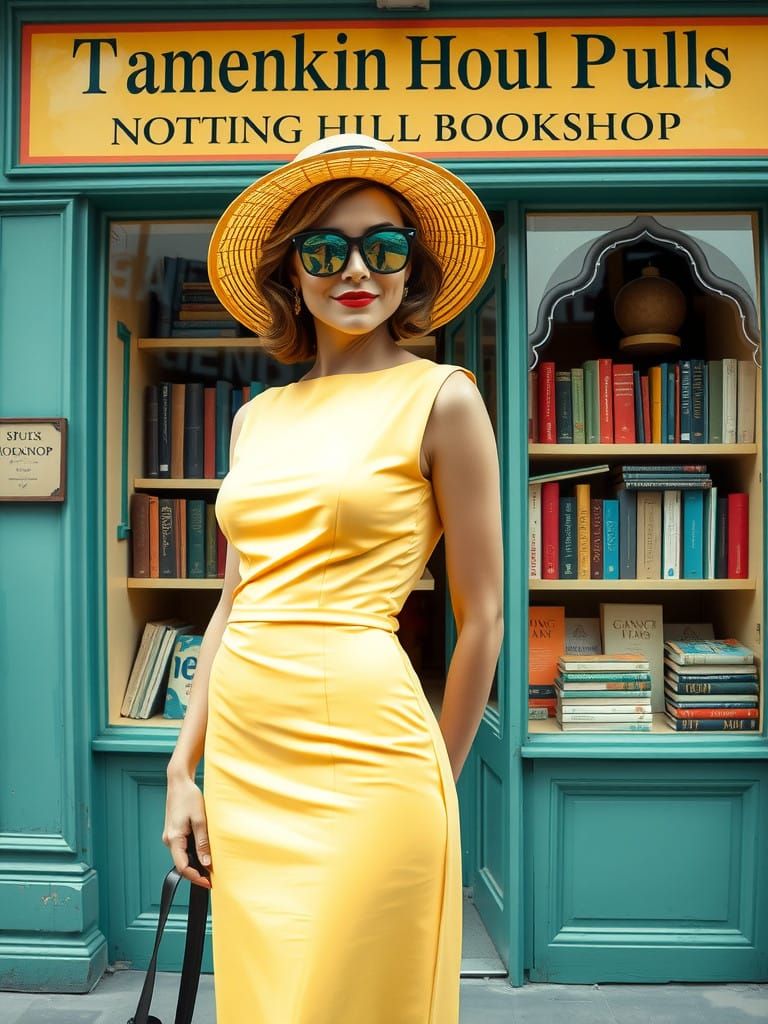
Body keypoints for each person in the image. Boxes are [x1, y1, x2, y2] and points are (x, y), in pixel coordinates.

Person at [162, 134, 505, 1023]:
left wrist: (442, 775)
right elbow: (235, 599)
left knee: (358, 997)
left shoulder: (445, 398)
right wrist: (181, 768)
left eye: (383, 246)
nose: (358, 269)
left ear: (409, 268)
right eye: (327, 249)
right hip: (246, 747)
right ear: (293, 275)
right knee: (270, 999)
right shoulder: (256, 418)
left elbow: (487, 619)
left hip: (376, 753)